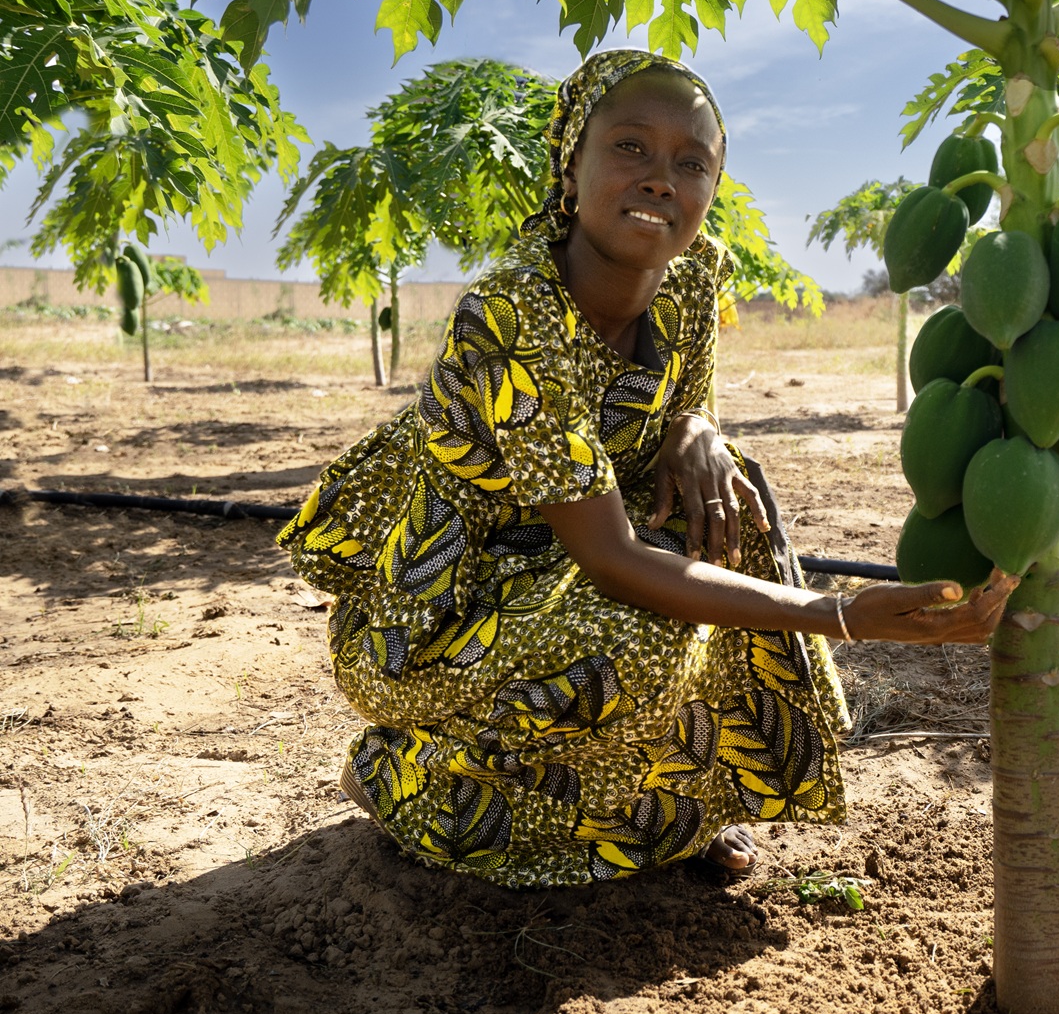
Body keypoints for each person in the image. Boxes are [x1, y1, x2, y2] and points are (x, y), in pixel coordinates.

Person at [278, 50, 1016, 887]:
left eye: (692, 163)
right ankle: (405, 773)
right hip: (440, 611)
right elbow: (613, 559)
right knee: (630, 640)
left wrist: (697, 427)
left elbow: (685, 406)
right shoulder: (512, 312)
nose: (662, 178)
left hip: (564, 562)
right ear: (571, 168)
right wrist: (839, 614)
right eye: (631, 147)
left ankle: (677, 809)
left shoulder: (690, 283)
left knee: (726, 498)